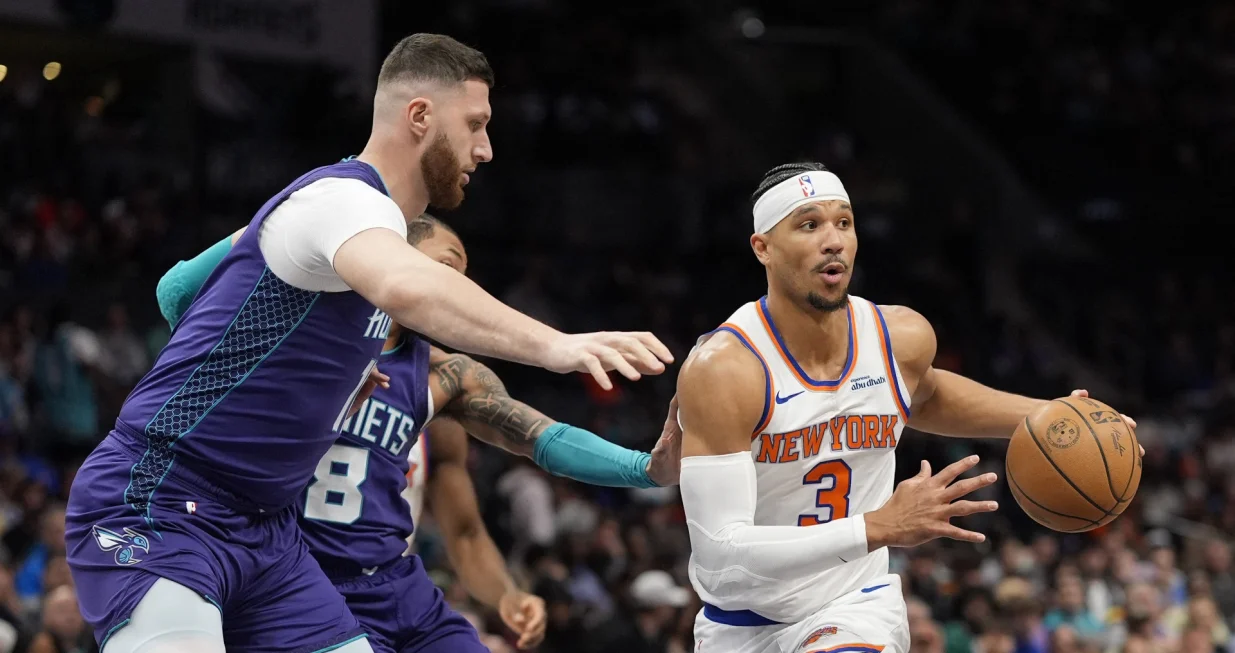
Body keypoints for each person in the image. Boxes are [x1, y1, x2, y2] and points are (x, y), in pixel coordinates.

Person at [66, 34, 672, 653]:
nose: (486, 148)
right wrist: (557, 346)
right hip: (164, 500)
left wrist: (302, 373)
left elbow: (176, 290)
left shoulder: (326, 212)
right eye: (475, 124)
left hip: (269, 535)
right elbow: (406, 286)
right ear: (420, 116)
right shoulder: (342, 201)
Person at [156, 213, 682, 652]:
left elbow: (538, 437)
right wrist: (294, 211)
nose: (454, 287)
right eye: (446, 266)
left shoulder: (445, 375)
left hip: (395, 583)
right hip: (300, 580)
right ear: (390, 255)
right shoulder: (302, 336)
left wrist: (643, 468)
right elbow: (180, 299)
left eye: (463, 278)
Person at [672, 162, 1137, 653]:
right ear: (762, 247)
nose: (833, 241)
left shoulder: (898, 337)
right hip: (739, 625)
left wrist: (1054, 419)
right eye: (809, 225)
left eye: (844, 222)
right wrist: (877, 526)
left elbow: (926, 395)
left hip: (853, 605)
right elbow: (720, 556)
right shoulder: (725, 370)